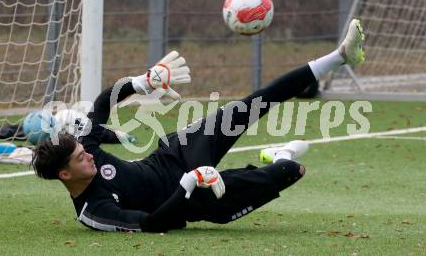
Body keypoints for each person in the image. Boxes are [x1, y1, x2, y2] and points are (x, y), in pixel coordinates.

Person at [31, 19, 365, 233]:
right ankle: (279, 156)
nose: (88, 155)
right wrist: (189, 185)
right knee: (293, 171)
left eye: (82, 151)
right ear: (65, 174)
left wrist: (143, 82)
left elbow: (104, 101)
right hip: (194, 200)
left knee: (254, 104)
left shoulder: (84, 147)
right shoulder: (94, 211)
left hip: (175, 154)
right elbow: (152, 223)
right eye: (80, 159)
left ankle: (339, 55)